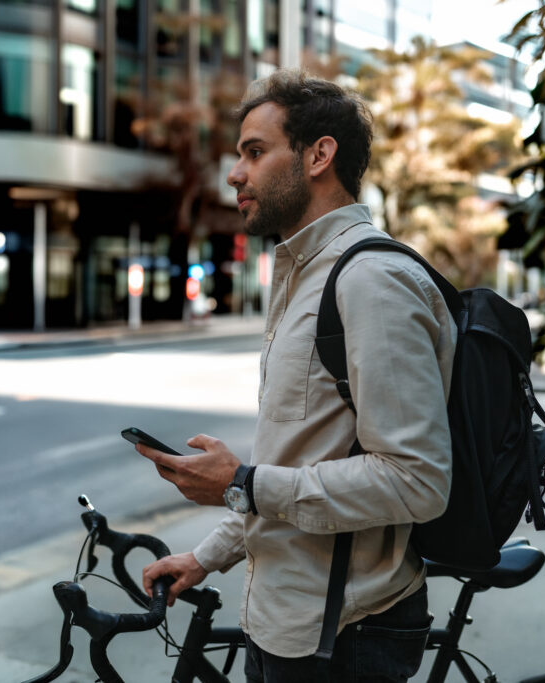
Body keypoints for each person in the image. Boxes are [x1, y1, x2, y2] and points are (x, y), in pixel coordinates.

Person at [135, 68, 458, 682]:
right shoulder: (302, 276)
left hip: (344, 634)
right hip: (287, 620)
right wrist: (206, 558)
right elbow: (300, 457)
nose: (235, 174)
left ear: (318, 156)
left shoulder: (372, 282)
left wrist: (244, 482)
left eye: (255, 153)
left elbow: (417, 480)